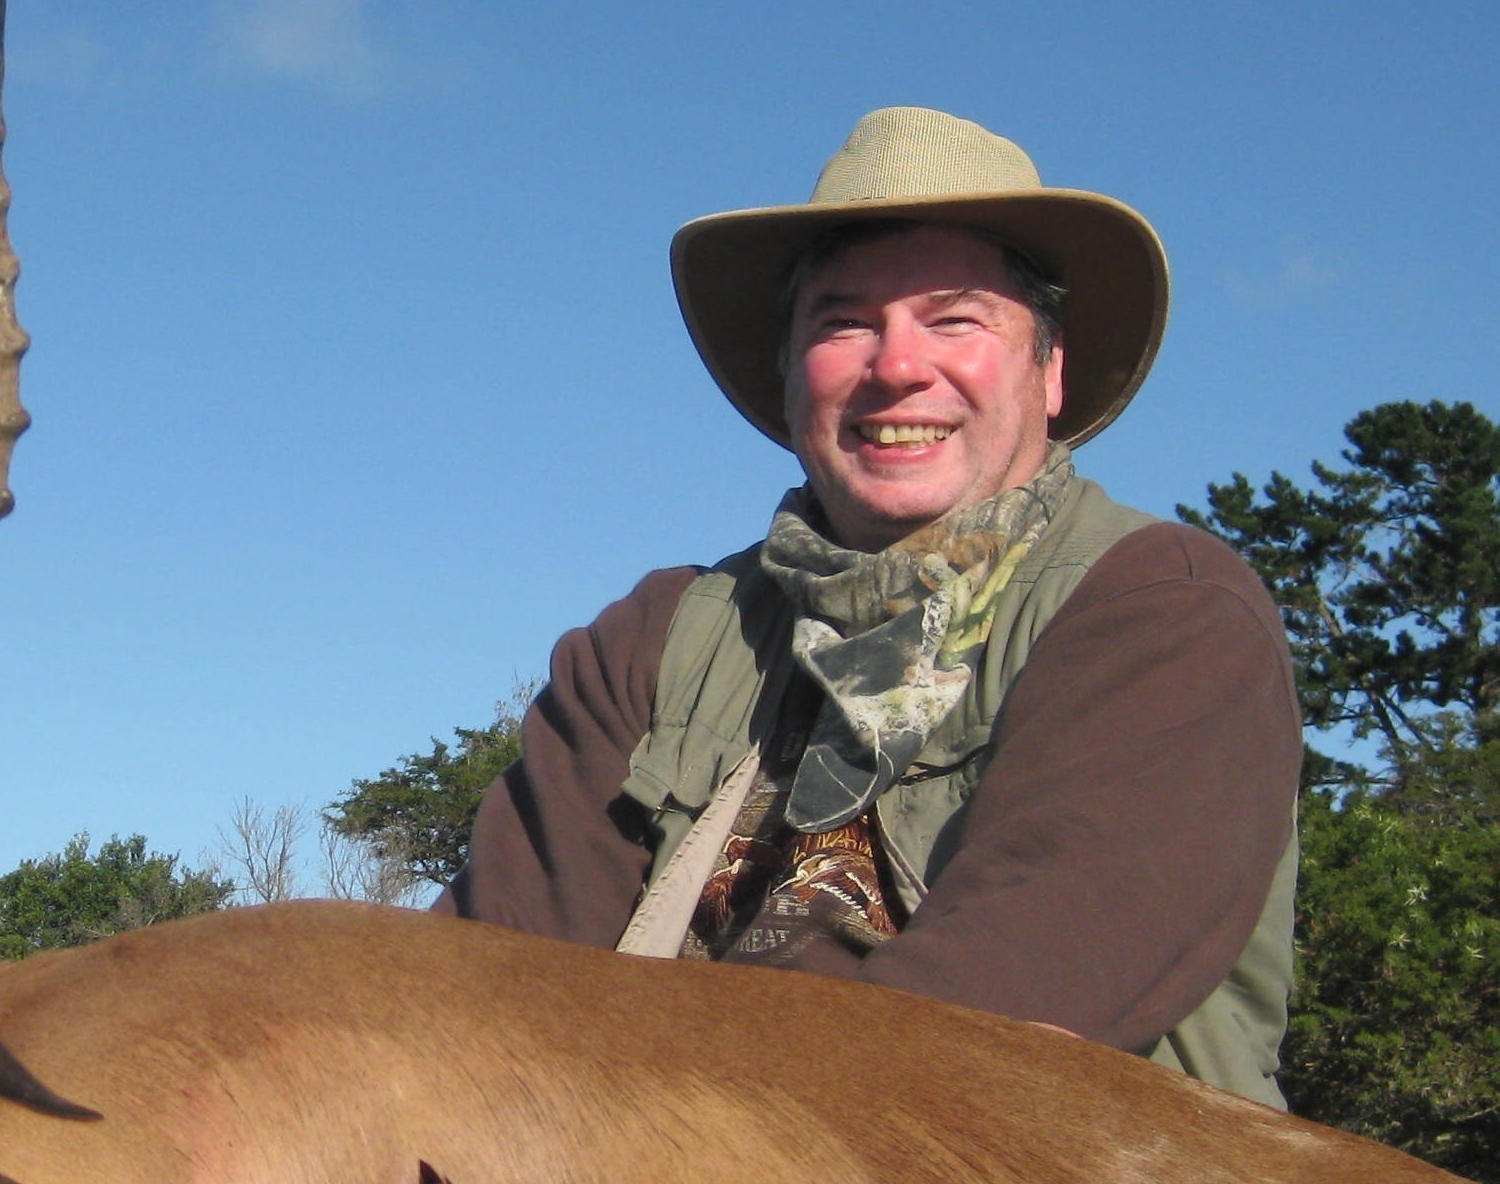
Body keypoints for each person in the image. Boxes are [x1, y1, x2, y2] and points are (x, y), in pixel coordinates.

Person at [448, 106, 1301, 1104]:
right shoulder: (653, 638)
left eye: (955, 319)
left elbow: (994, 1021)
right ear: (789, 368)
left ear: (1050, 369)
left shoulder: (1162, 611)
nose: (896, 366)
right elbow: (484, 989)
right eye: (845, 321)